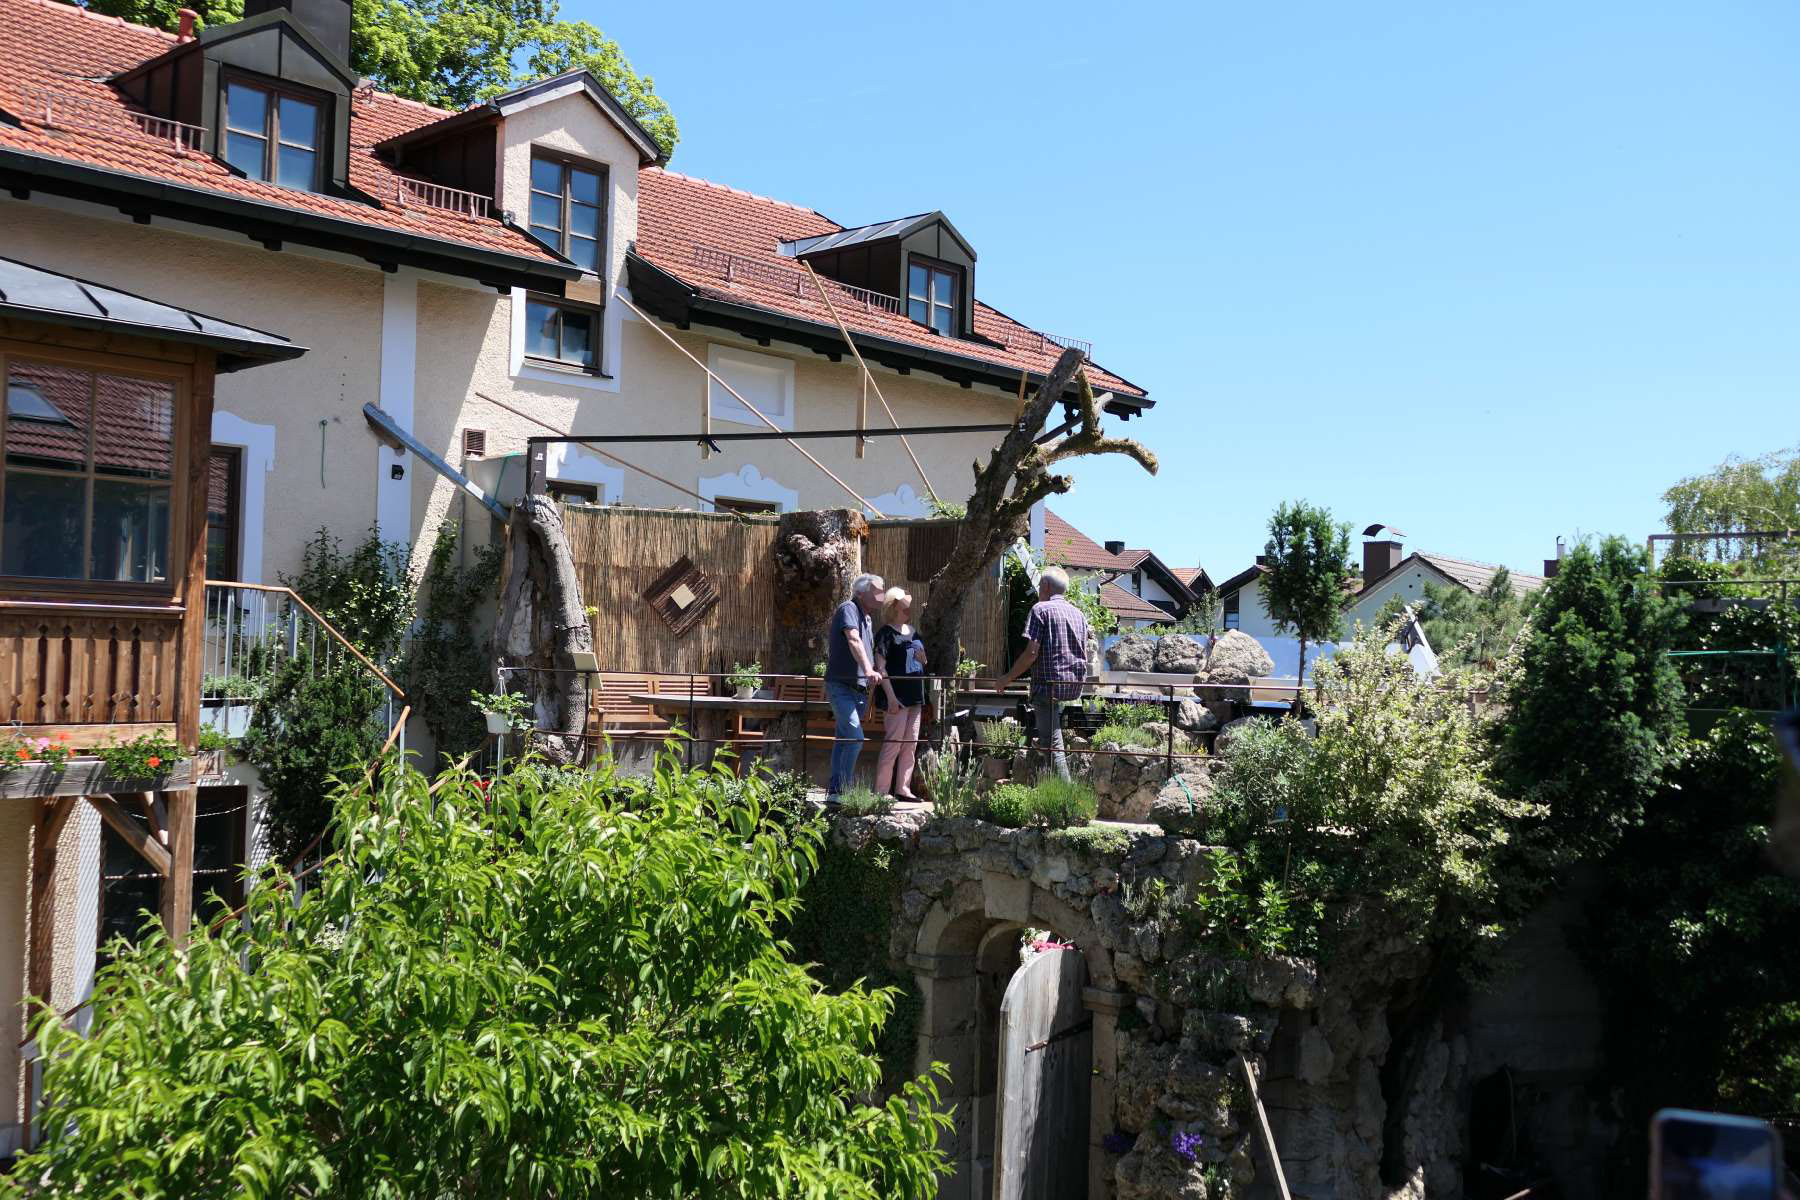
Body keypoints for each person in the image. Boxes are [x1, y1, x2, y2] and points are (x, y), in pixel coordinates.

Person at [996, 567, 1090, 781]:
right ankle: (1050, 788)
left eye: (1040, 586)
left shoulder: (1041, 609)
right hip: (1073, 685)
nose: (1039, 590)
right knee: (1050, 740)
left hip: (1048, 684)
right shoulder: (1079, 614)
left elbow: (1031, 654)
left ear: (1046, 587)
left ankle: (1066, 800)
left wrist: (1006, 678)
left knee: (1052, 745)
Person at [824, 573, 885, 798]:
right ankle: (846, 790)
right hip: (841, 686)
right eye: (877, 591)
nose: (882, 595)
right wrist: (869, 670)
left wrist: (875, 671)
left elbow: (867, 648)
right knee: (855, 738)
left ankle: (835, 792)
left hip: (858, 690)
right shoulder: (848, 608)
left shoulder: (867, 618)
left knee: (844, 740)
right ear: (861, 593)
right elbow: (853, 639)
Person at [872, 587, 928, 799]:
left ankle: (903, 788)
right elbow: (881, 667)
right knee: (893, 744)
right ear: (894, 607)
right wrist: (891, 698)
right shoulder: (886, 633)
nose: (907, 608)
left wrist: (923, 658)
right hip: (896, 697)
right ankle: (881, 791)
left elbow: (923, 662)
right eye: (903, 604)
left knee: (910, 744)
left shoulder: (913, 631)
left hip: (915, 696)